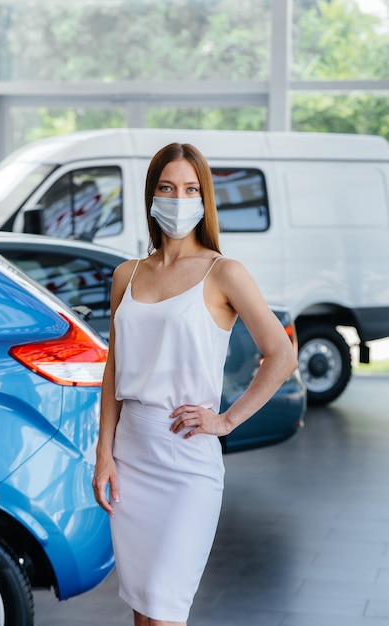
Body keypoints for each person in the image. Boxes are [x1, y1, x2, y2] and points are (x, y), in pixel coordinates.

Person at [92, 142, 298, 626]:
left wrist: (227, 420)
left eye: (189, 188)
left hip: (187, 462)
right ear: (151, 195)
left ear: (204, 199)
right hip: (131, 458)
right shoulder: (128, 274)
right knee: (144, 614)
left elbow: (282, 354)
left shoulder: (223, 272)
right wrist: (104, 453)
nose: (177, 198)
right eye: (167, 187)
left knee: (164, 610)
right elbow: (113, 371)